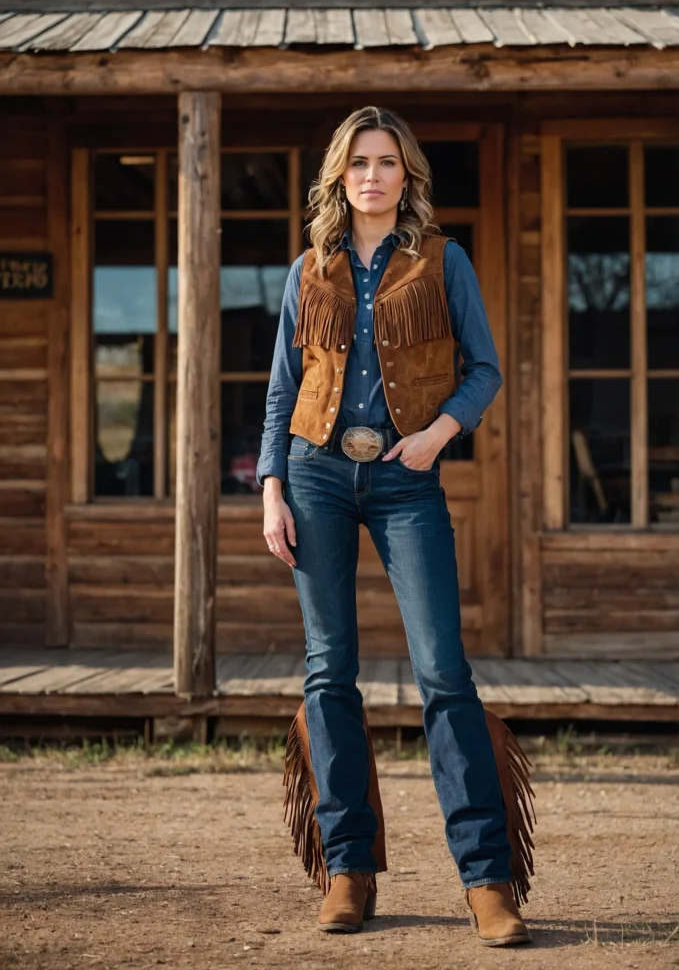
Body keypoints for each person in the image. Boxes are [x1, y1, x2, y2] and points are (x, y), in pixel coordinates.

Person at [256, 106, 532, 946]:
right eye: (358, 163)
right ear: (339, 177)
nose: (372, 175)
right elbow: (280, 389)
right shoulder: (309, 270)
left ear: (406, 176)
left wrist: (438, 435)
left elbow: (483, 368)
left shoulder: (444, 263)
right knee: (328, 671)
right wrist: (272, 485)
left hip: (409, 480)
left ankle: (486, 880)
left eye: (386, 162)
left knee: (443, 671)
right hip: (316, 475)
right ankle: (349, 870)